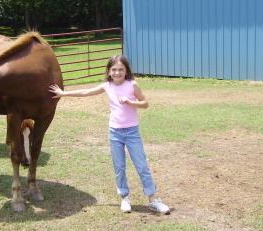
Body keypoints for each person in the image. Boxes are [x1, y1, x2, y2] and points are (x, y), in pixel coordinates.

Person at [48, 55, 172, 214]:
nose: (117, 72)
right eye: (114, 69)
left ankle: (153, 199)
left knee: (142, 166)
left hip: (132, 132)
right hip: (115, 133)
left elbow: (145, 103)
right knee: (119, 167)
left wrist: (131, 102)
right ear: (108, 71)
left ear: (126, 70)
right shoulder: (107, 86)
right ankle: (125, 197)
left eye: (121, 69)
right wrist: (63, 93)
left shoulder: (132, 85)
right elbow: (86, 91)